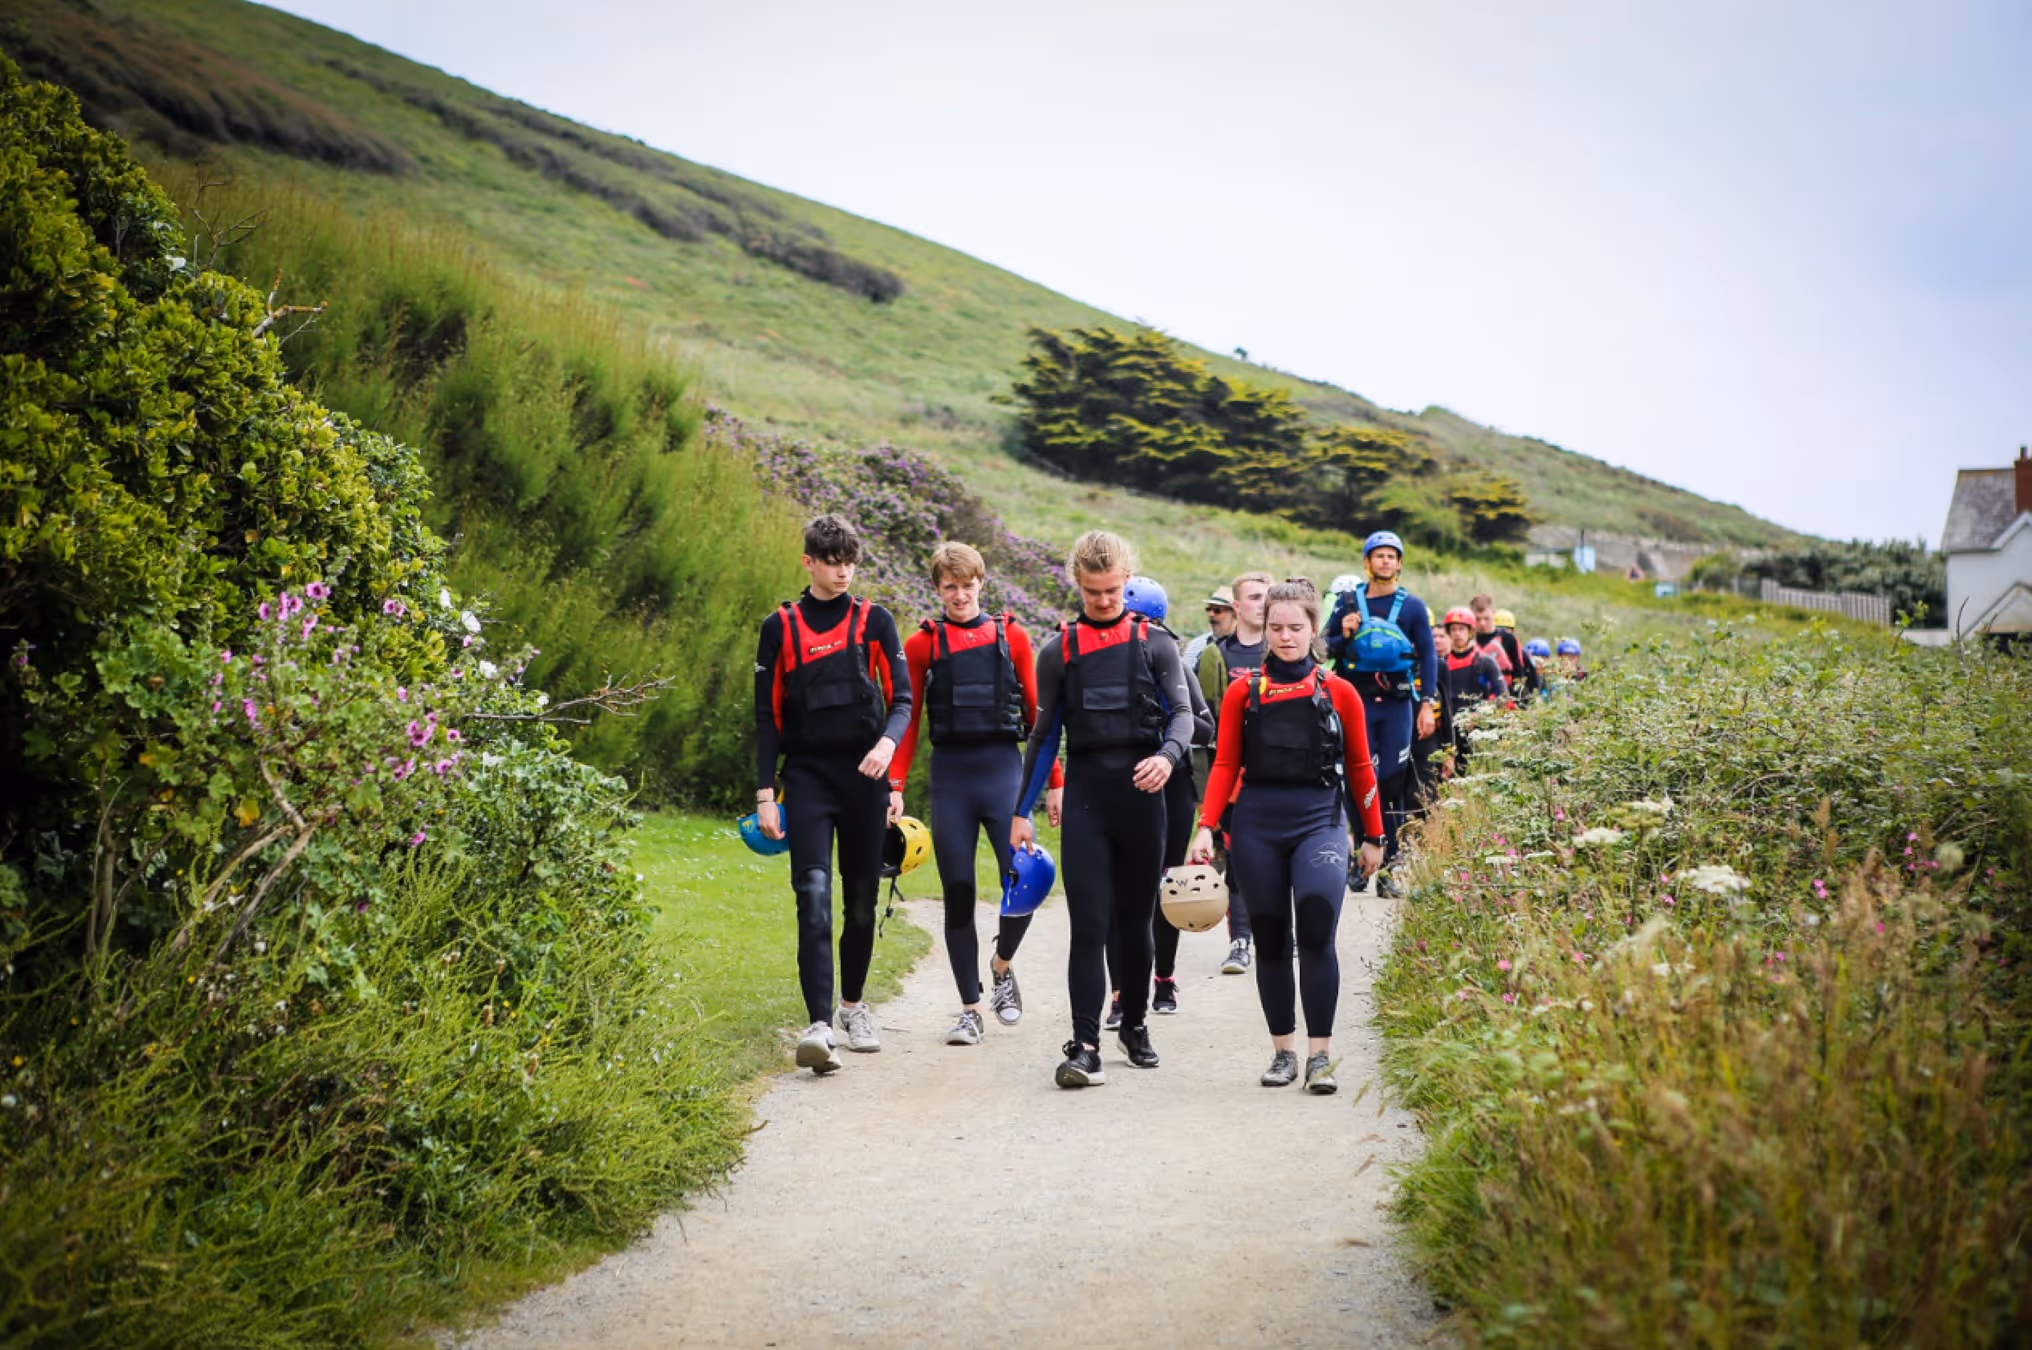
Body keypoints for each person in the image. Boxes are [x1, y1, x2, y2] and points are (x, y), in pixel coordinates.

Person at [1014, 531, 1198, 1088]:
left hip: (1144, 798)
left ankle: (1136, 1024)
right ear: (1078, 584)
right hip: (1090, 799)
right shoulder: (1059, 650)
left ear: (1126, 580)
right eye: (1093, 592)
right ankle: (1085, 1042)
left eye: (1113, 590)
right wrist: (1022, 810)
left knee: (1136, 922)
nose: (1103, 601)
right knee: (1088, 925)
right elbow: (1043, 737)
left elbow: (1185, 715)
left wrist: (1167, 758)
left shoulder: (1154, 643)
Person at [1190, 580, 1386, 1094]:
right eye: (1275, 627)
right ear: (1263, 628)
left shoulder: (1338, 692)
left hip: (1318, 819)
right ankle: (1283, 1053)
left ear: (1314, 629)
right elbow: (1226, 762)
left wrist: (1374, 836)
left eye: (1295, 627)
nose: (1284, 636)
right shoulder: (1243, 691)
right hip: (1257, 823)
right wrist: (1206, 827)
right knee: (1272, 939)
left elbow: (1362, 768)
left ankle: (1320, 1056)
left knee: (1317, 929)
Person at [753, 515, 913, 1075]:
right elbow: (767, 717)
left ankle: (852, 1007)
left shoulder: (876, 621)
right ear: (809, 563)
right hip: (808, 779)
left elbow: (903, 701)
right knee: (813, 894)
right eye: (831, 560)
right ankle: (819, 1025)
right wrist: (764, 794)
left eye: (849, 560)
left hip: (865, 780)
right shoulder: (781, 627)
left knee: (862, 902)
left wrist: (889, 751)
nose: (842, 570)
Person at [888, 542, 1062, 1046]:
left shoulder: (1013, 637)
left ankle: (1002, 966)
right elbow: (908, 719)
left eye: (967, 586)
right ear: (937, 589)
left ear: (981, 584)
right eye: (950, 587)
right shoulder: (921, 646)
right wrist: (894, 785)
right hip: (951, 779)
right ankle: (969, 1008)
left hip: (1004, 774)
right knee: (958, 893)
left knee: (1027, 877)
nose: (960, 596)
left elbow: (1037, 719)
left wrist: (1054, 784)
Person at [1103, 576, 1215, 1026]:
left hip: (1172, 788)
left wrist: (1168, 727)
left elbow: (1206, 728)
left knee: (1165, 891)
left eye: (1134, 618)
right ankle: (1118, 993)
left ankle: (1163, 978)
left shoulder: (1170, 656)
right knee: (1118, 895)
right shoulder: (1105, 654)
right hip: (1121, 784)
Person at [1323, 533, 1438, 898]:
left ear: (1400, 563)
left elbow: (1429, 656)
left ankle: (1390, 865)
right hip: (1354, 703)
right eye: (1379, 556)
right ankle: (1362, 859)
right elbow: (1326, 647)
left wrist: (1427, 704)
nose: (1386, 561)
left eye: (1392, 556)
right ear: (1367, 563)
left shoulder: (1413, 607)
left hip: (1396, 705)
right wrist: (1343, 633)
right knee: (1359, 779)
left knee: (1391, 780)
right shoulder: (1346, 603)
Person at [1195, 571, 1274, 972]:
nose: (1262, 603)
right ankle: (1240, 942)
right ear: (1237, 606)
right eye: (1255, 597)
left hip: (1280, 777)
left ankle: (1282, 937)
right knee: (1240, 863)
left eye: (1268, 596)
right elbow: (1203, 726)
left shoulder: (1285, 650)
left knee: (1281, 864)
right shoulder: (1216, 656)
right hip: (1232, 779)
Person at [1438, 606, 1507, 777]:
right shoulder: (1442, 663)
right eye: (1453, 629)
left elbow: (1503, 696)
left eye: (1461, 629)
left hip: (1477, 732)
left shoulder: (1485, 662)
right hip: (1449, 733)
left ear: (1470, 631)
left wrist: (1479, 716)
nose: (1457, 634)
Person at [1180, 585, 1236, 671]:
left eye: (1217, 610)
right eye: (1209, 609)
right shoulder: (1196, 646)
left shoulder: (1246, 646)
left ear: (1235, 614)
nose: (1211, 614)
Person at [1491, 607, 1543, 696]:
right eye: (1499, 630)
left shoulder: (1522, 654)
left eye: (1506, 630)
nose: (1503, 634)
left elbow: (1534, 681)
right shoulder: (1487, 653)